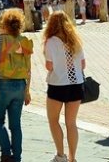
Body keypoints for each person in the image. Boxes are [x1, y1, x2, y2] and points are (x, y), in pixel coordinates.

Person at [0, 8, 33, 162]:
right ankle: (17, 158)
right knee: (16, 125)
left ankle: (6, 154)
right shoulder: (24, 41)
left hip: (3, 86)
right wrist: (27, 91)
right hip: (20, 86)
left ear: (4, 24)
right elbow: (29, 69)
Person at [42, 11, 85, 162]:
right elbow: (83, 64)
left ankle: (61, 156)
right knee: (71, 123)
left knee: (53, 120)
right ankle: (73, 158)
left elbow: (49, 66)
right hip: (76, 85)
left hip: (58, 84)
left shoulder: (50, 42)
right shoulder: (76, 40)